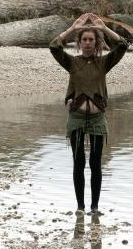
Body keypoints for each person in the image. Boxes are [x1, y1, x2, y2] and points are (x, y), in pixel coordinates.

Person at [50, 14, 128, 214]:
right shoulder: (72, 62)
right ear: (79, 42)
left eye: (91, 39)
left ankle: (94, 207)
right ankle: (80, 207)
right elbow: (54, 47)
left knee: (95, 163)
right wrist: (72, 28)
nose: (87, 43)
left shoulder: (104, 63)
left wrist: (104, 28)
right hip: (76, 118)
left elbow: (123, 45)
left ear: (96, 42)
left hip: (97, 119)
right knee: (79, 162)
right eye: (84, 39)